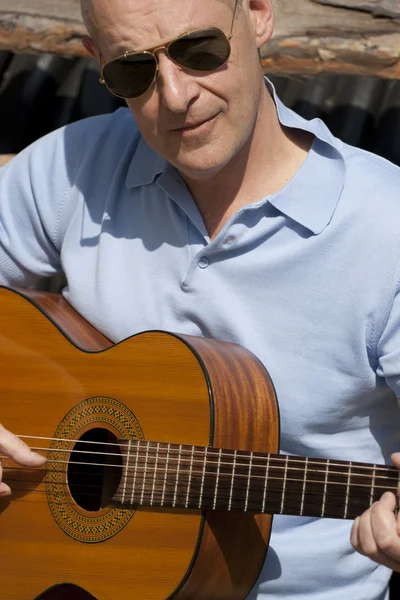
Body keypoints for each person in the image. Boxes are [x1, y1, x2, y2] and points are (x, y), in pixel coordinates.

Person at [0, 0, 400, 597]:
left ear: (259, 14)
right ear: (97, 62)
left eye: (199, 50)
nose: (176, 94)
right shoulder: (68, 170)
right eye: (132, 72)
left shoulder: (385, 229)